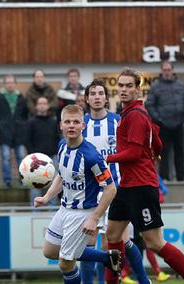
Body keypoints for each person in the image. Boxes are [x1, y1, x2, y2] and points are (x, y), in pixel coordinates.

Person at [105, 68, 184, 284]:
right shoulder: (134, 113)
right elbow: (158, 145)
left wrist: (106, 158)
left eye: (128, 86)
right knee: (112, 237)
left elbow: (133, 153)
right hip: (127, 186)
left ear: (137, 89)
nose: (123, 89)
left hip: (141, 187)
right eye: (120, 85)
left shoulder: (135, 115)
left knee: (154, 243)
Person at [34, 104, 123, 284]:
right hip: (64, 209)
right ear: (61, 125)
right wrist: (46, 197)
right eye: (67, 122)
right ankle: (107, 258)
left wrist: (94, 218)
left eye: (76, 122)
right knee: (49, 251)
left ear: (83, 126)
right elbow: (61, 174)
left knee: (65, 263)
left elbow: (110, 188)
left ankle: (106, 259)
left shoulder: (91, 156)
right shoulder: (62, 146)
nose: (71, 126)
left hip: (82, 214)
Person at [79, 79, 120, 284]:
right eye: (92, 93)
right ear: (87, 99)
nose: (96, 97)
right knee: (86, 246)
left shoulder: (118, 121)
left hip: (114, 191)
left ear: (106, 98)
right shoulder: (80, 125)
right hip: (88, 192)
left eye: (100, 93)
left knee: (109, 246)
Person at [147, 62, 184, 181]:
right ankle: (164, 177)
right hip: (163, 125)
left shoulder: (181, 85)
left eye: (168, 69)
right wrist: (158, 119)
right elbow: (150, 105)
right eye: (164, 70)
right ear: (161, 71)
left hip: (178, 124)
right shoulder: (155, 86)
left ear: (172, 70)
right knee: (163, 152)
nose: (167, 72)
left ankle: (181, 177)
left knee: (180, 151)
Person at [0, 74, 29, 188]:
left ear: (15, 84)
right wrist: (0, 126)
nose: (10, 84)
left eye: (12, 82)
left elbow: (26, 115)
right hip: (5, 133)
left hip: (19, 133)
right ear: (4, 84)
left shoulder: (21, 97)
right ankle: (7, 180)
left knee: (21, 157)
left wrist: (22, 125)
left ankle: (22, 180)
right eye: (8, 82)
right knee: (6, 157)